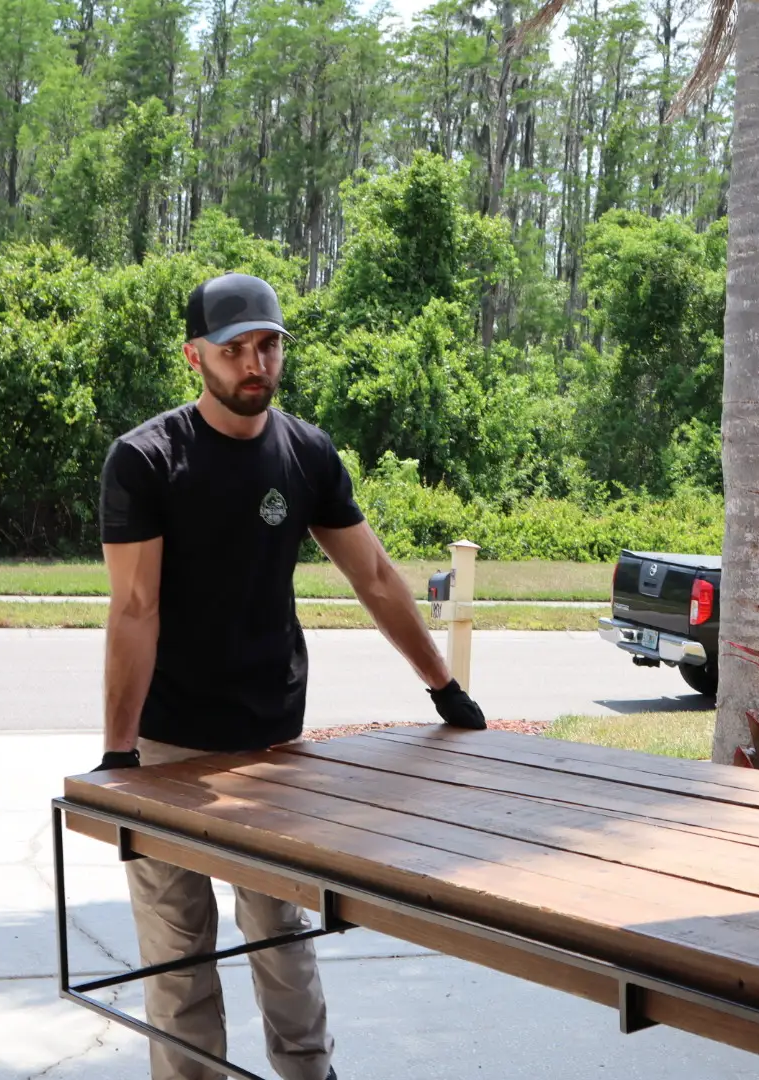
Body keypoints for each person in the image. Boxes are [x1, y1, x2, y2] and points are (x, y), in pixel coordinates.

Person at [91, 272, 488, 1080]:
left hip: (274, 745)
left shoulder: (305, 452)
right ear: (194, 356)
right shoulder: (145, 460)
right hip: (167, 746)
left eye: (267, 345)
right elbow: (134, 609)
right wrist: (120, 753)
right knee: (176, 957)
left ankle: (309, 1075)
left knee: (284, 938)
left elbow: (374, 576)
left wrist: (443, 688)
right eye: (234, 349)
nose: (254, 363)